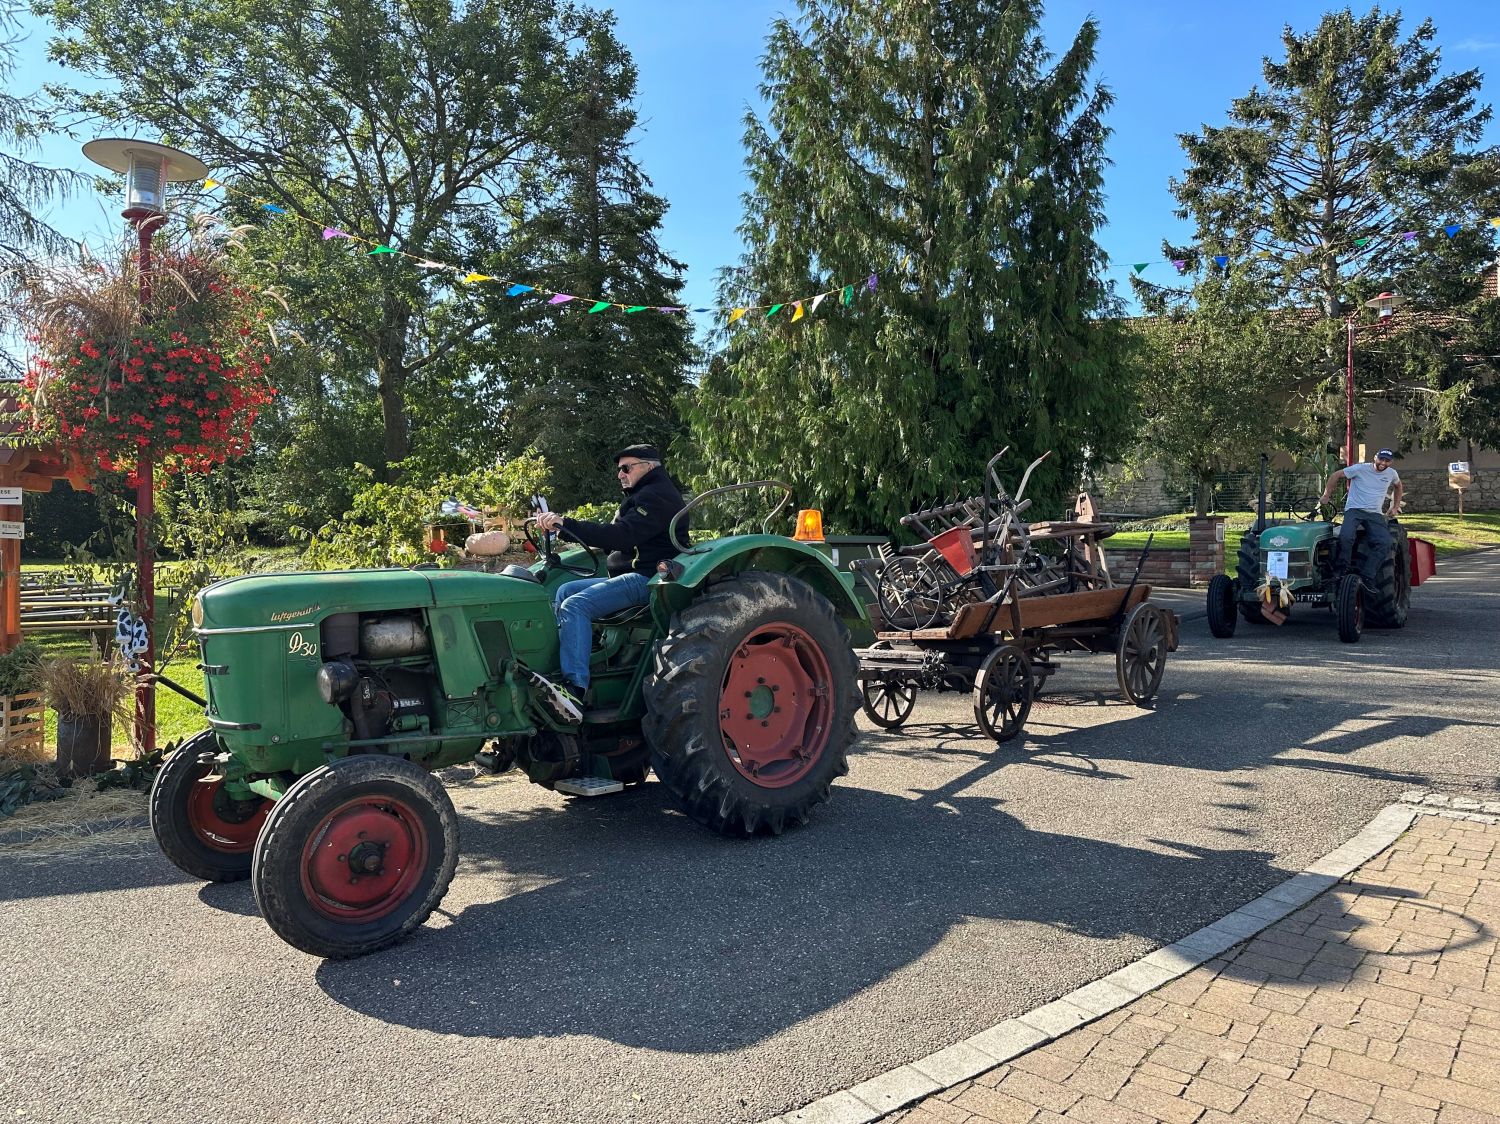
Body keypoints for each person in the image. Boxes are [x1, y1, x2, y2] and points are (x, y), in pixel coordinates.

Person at [532, 444, 689, 720]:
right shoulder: (640, 496)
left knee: (575, 605)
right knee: (564, 589)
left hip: (647, 579)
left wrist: (567, 525)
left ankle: (575, 689)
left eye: (627, 467)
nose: (620, 474)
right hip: (627, 576)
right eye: (618, 469)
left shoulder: (657, 496)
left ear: (649, 467)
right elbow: (613, 540)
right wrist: (564, 529)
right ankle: (564, 669)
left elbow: (621, 537)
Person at [1319, 448, 1404, 589]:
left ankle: (1367, 575)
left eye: (1387, 461)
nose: (1383, 463)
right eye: (1381, 459)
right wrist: (1326, 495)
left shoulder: (1391, 473)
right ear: (1375, 458)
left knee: (1385, 543)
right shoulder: (1360, 469)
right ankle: (1341, 570)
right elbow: (1336, 475)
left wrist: (1395, 507)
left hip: (1374, 513)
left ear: (1391, 462)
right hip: (1354, 510)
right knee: (1346, 537)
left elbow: (1398, 486)